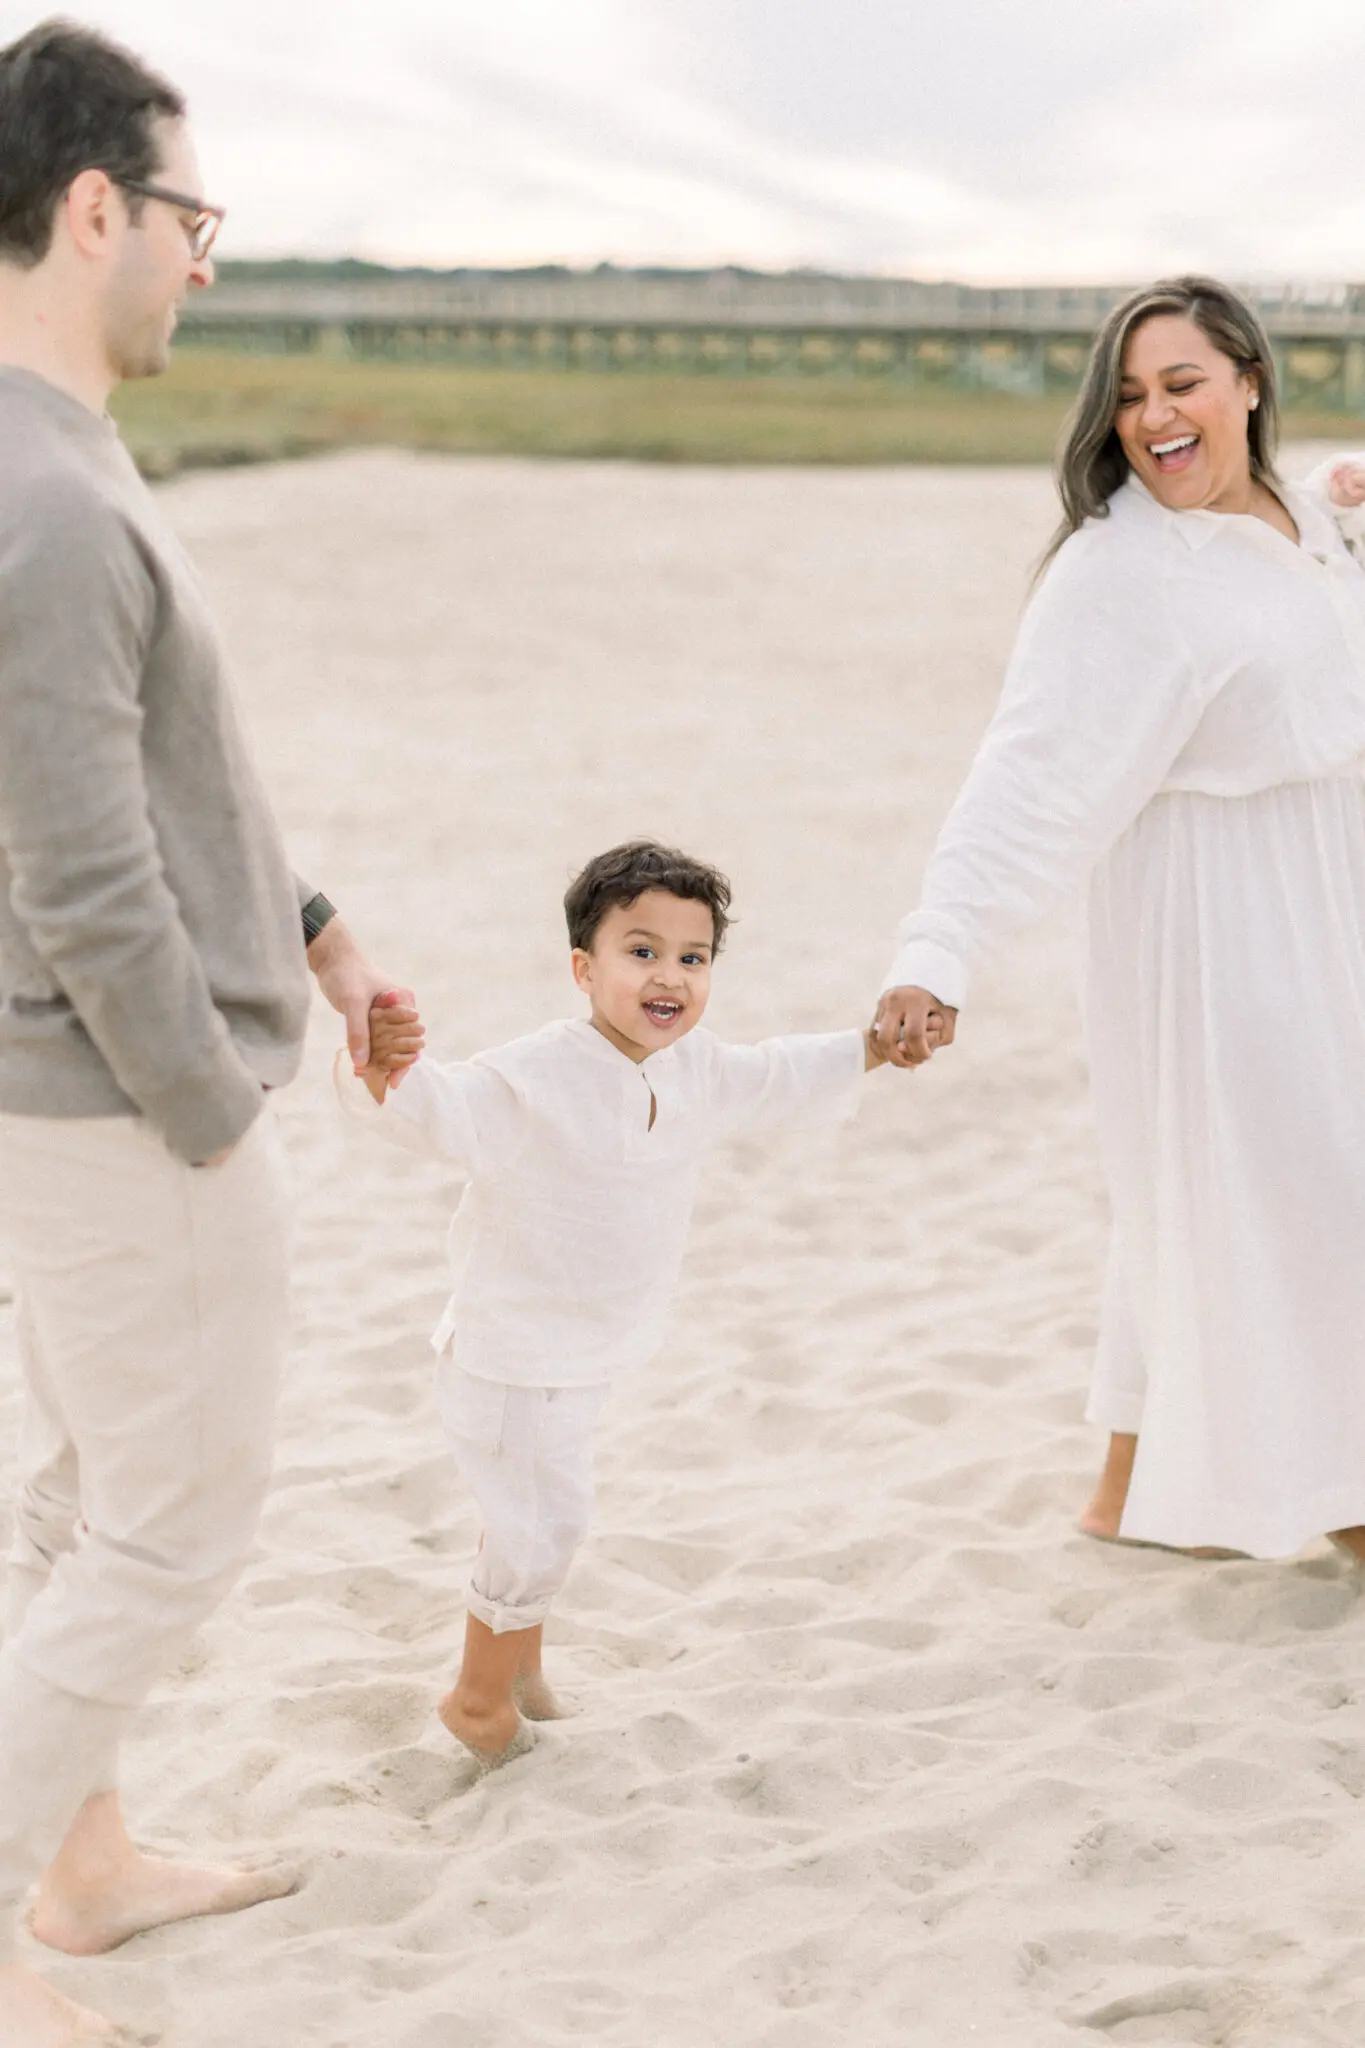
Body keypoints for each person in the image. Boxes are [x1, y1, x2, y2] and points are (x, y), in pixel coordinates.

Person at [0, 23, 418, 2045]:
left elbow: (161, 779)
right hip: (113, 1109)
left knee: (89, 1506)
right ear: (96, 210)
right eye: (193, 217)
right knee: (175, 1530)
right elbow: (84, 883)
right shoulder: (46, 496)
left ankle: (79, 1864)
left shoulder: (60, 459)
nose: (205, 259)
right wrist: (205, 1111)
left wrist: (314, 925)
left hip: (64, 1103)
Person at [875, 275, 1365, 1565]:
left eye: (1182, 384)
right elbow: (1024, 775)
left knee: (1208, 1181)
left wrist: (1342, 499)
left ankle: (1127, 1488)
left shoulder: (1310, 518)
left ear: (1250, 380)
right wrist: (941, 946)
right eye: (1132, 395)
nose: (1153, 418)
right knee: (1299, 1184)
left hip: (1332, 906)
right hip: (1219, 927)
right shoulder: (1118, 572)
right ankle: (1348, 1496)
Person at [337, 840, 901, 1768]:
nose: (667, 976)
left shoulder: (698, 1071)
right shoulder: (533, 1077)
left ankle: (521, 1671)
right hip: (513, 1356)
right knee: (542, 1524)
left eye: (692, 957)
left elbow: (778, 1075)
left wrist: (870, 1048)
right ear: (582, 968)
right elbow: (441, 1105)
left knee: (530, 1515)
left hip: (588, 1351)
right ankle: (478, 1700)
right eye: (639, 952)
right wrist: (381, 1067)